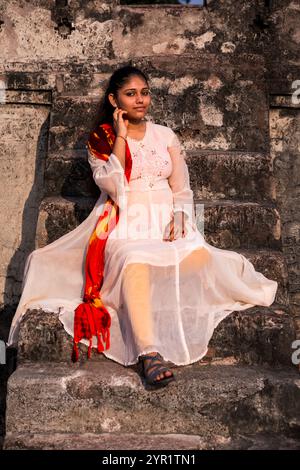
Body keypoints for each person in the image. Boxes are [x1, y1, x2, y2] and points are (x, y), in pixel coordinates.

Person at [7, 65, 278, 390]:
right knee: (133, 260)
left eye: (145, 92)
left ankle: (145, 297)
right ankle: (149, 353)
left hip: (165, 219)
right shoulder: (102, 139)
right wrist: (120, 137)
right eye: (131, 94)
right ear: (114, 99)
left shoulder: (165, 135)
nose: (140, 100)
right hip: (125, 220)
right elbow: (114, 187)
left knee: (201, 258)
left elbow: (181, 188)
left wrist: (181, 217)